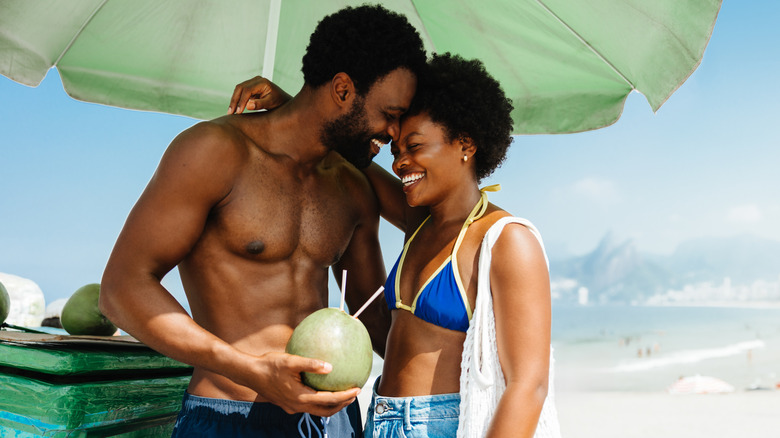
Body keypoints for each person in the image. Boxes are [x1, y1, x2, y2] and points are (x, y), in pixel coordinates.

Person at [100, 5, 426, 437]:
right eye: (390, 113)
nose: (395, 134)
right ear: (343, 90)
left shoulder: (352, 188)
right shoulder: (214, 152)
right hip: (228, 417)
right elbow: (121, 289)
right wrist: (252, 370)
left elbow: (375, 317)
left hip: (333, 424)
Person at [231, 53, 559, 437]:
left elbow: (527, 385)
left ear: (465, 144)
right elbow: (353, 161)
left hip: (444, 426)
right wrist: (292, 107)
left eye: (415, 146)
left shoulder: (506, 240)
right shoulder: (421, 223)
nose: (401, 162)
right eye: (397, 150)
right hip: (379, 420)